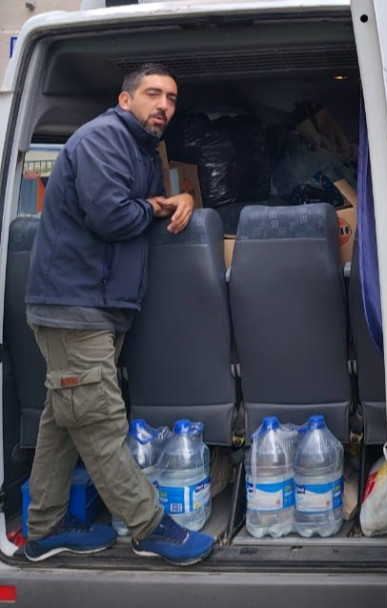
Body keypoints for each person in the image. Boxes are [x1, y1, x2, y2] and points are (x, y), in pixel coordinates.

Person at [22, 63, 214, 566]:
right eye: (154, 94)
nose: (164, 106)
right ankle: (151, 528)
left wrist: (178, 199)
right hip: (74, 306)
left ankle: (44, 527)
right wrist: (157, 205)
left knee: (62, 420)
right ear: (126, 99)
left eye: (171, 98)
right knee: (99, 421)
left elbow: (145, 207)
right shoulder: (104, 139)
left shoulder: (140, 150)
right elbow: (112, 215)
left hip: (98, 307)